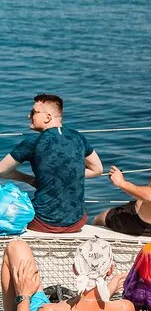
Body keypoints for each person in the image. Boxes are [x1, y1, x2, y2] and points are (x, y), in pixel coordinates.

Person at [0, 237, 135, 311]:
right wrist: (109, 289)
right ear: (110, 270)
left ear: (75, 269)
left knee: (16, 247)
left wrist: (24, 296)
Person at [0, 94, 103, 233]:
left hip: (43, 222)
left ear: (47, 117)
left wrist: (29, 179)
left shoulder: (33, 142)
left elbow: (1, 170)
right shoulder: (78, 137)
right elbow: (97, 169)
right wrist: (69, 174)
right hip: (77, 222)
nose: (28, 116)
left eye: (33, 112)